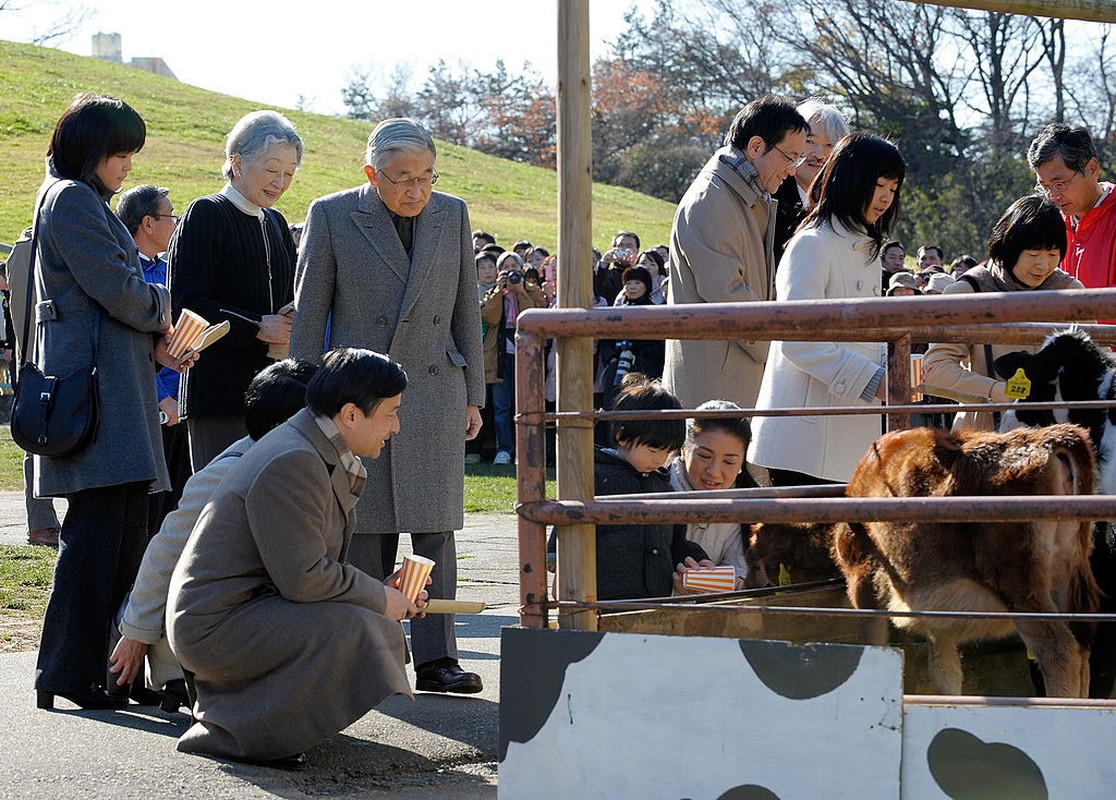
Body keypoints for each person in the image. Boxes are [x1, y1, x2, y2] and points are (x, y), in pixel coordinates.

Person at [290, 117, 486, 694]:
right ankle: (374, 651)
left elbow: (465, 311)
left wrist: (474, 394)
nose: (416, 190)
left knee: (435, 527)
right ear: (372, 174)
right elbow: (309, 311)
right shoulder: (331, 214)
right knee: (366, 526)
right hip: (359, 396)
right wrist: (302, 393)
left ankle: (438, 658)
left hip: (434, 389)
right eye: (402, 178)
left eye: (426, 176)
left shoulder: (451, 213)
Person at [167, 348, 419, 767]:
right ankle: (238, 731)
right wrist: (375, 598)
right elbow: (304, 579)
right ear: (351, 414)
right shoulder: (295, 459)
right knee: (358, 625)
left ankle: (259, 722)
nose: (396, 426)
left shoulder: (309, 446)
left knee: (366, 618)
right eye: (390, 413)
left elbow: (307, 565)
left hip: (238, 613)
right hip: (214, 627)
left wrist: (379, 591)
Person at [31, 93, 195, 711]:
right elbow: (120, 290)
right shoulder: (71, 199)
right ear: (93, 150)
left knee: (122, 538)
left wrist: (158, 335)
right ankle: (68, 674)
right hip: (103, 397)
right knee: (98, 542)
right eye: (121, 153)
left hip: (117, 388)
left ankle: (101, 673)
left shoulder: (78, 199)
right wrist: (166, 317)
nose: (128, 165)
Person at [108, 358, 319, 711]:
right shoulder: (230, 472)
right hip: (203, 624)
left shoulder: (304, 468)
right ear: (285, 425)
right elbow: (165, 552)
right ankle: (176, 672)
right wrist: (136, 632)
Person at [749, 133, 905, 487]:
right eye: (878, 184)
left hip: (843, 437)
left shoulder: (863, 247)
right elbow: (797, 340)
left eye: (893, 189)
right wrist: (874, 379)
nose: (885, 197)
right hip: (804, 440)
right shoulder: (812, 244)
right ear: (850, 180)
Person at [168, 110, 302, 470]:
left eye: (289, 173)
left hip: (276, 394)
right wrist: (256, 326)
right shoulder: (206, 213)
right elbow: (187, 303)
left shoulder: (275, 222)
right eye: (271, 169)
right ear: (237, 163)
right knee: (219, 505)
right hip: (219, 395)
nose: (280, 181)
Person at [664, 95, 810, 412]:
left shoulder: (743, 196)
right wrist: (785, 347)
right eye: (790, 157)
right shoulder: (711, 200)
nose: (792, 170)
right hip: (715, 385)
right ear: (756, 146)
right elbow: (728, 297)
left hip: (733, 375)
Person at [923, 194, 1082, 431]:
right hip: (984, 434)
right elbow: (936, 367)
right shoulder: (970, 290)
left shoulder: (1071, 292)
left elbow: (1093, 363)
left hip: (1054, 433)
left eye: (1052, 254)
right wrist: (993, 390)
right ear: (1009, 247)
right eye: (1034, 254)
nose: (1043, 265)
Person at [550, 373, 708, 600]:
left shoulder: (664, 488)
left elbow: (676, 540)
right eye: (654, 450)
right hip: (602, 592)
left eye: (667, 453)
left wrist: (695, 558)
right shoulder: (596, 476)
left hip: (653, 596)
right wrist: (555, 555)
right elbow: (567, 519)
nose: (660, 460)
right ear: (622, 436)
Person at [116, 184, 191, 534]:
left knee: (177, 504)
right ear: (147, 223)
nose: (176, 223)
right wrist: (161, 396)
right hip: (154, 407)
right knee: (147, 508)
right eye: (170, 215)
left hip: (182, 403)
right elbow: (135, 345)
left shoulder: (170, 269)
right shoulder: (124, 275)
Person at [668, 400, 753, 588]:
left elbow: (738, 571)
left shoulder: (744, 504)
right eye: (704, 456)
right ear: (683, 449)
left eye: (729, 462)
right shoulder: (657, 489)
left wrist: (721, 581)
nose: (714, 472)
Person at [1027, 123, 1116, 300]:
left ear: (1092, 168)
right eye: (1045, 187)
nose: (1052, 196)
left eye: (1060, 184)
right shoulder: (1051, 225)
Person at [481, 251, 545, 465]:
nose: (511, 271)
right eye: (506, 267)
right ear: (500, 272)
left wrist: (520, 292)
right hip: (499, 359)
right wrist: (501, 291)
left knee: (525, 406)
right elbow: (490, 317)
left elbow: (533, 317)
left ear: (522, 269)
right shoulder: (493, 292)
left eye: (514, 267)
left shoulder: (532, 290)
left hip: (526, 358)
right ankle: (504, 450)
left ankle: (525, 450)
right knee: (502, 407)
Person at [773, 98, 851, 265]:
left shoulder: (845, 205)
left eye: (830, 145)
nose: (820, 154)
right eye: (810, 141)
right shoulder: (771, 198)